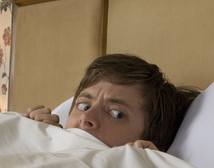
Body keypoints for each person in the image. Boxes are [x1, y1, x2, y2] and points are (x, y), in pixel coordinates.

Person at [26, 54, 200, 152]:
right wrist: (31, 140)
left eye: (117, 114)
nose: (86, 117)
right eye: (84, 106)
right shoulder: (36, 138)